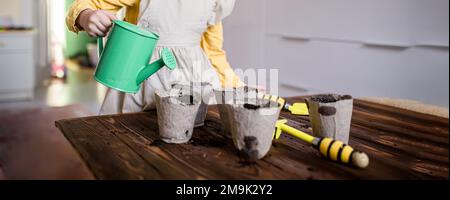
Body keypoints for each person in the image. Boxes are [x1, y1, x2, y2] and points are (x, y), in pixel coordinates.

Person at [66, 0, 243, 114]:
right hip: (139, 78)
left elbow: (214, 53)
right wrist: (86, 15)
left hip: (195, 83)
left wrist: (239, 89)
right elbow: (84, 5)